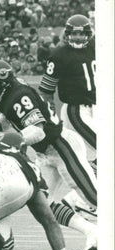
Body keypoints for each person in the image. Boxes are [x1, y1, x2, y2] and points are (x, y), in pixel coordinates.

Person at [0, 59, 96, 218]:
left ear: (4, 83)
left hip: (62, 147)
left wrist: (16, 140)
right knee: (44, 208)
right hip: (45, 153)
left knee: (95, 198)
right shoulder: (9, 93)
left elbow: (38, 131)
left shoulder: (20, 95)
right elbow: (10, 116)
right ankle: (90, 233)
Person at [38, 14, 96, 170]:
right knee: (106, 147)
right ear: (68, 34)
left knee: (75, 163)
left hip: (97, 108)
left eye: (82, 33)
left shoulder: (96, 47)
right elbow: (46, 91)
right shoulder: (59, 55)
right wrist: (51, 118)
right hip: (76, 110)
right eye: (74, 33)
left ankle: (93, 173)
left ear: (88, 34)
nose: (78, 37)